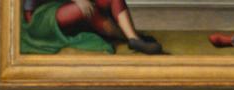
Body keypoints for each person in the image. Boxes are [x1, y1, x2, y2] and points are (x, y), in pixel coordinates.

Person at [22, 0, 163, 55]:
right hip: (40, 17)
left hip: (62, 5)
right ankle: (131, 38)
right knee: (89, 10)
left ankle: (133, 38)